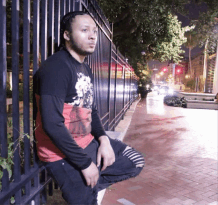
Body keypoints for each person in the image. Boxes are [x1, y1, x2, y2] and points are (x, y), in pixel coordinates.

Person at [33, 11, 145, 205]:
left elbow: (90, 109)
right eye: (84, 30)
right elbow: (52, 124)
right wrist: (85, 164)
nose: (92, 35)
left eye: (94, 31)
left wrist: (103, 139)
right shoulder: (56, 68)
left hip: (87, 142)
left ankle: (86, 187)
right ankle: (83, 188)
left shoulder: (85, 68)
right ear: (67, 35)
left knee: (135, 161)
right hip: (60, 153)